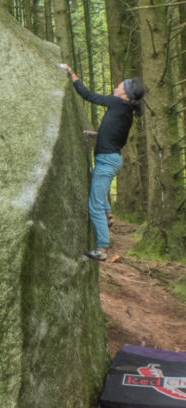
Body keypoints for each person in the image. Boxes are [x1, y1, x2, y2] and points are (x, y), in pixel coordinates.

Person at [60, 63, 146, 261]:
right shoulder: (126, 113)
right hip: (112, 159)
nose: (115, 88)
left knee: (94, 205)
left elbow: (89, 96)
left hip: (107, 162)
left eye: (118, 86)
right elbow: (118, 138)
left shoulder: (118, 104)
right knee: (94, 185)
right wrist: (97, 135)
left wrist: (71, 73)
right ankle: (108, 216)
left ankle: (102, 249)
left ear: (125, 94)